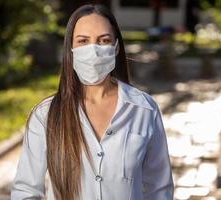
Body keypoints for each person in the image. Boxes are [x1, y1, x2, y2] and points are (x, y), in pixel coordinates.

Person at [10, 4, 174, 200]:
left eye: (103, 41)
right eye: (83, 41)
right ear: (71, 49)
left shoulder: (144, 110)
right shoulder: (45, 115)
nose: (94, 51)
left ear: (116, 47)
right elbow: (26, 191)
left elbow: (159, 189)